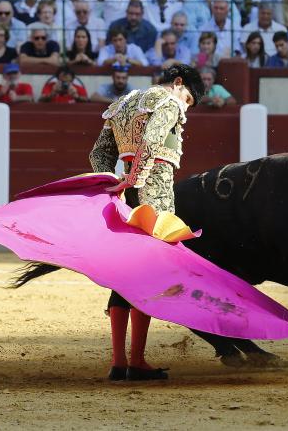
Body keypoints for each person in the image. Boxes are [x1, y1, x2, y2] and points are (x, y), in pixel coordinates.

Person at [88, 64, 204, 381]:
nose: (186, 107)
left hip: (125, 204)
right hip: (155, 203)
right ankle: (136, 360)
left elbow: (99, 154)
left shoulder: (122, 104)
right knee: (146, 277)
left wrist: (112, 184)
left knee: (124, 276)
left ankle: (118, 362)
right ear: (178, 83)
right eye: (189, 99)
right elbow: (152, 141)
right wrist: (135, 180)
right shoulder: (167, 101)